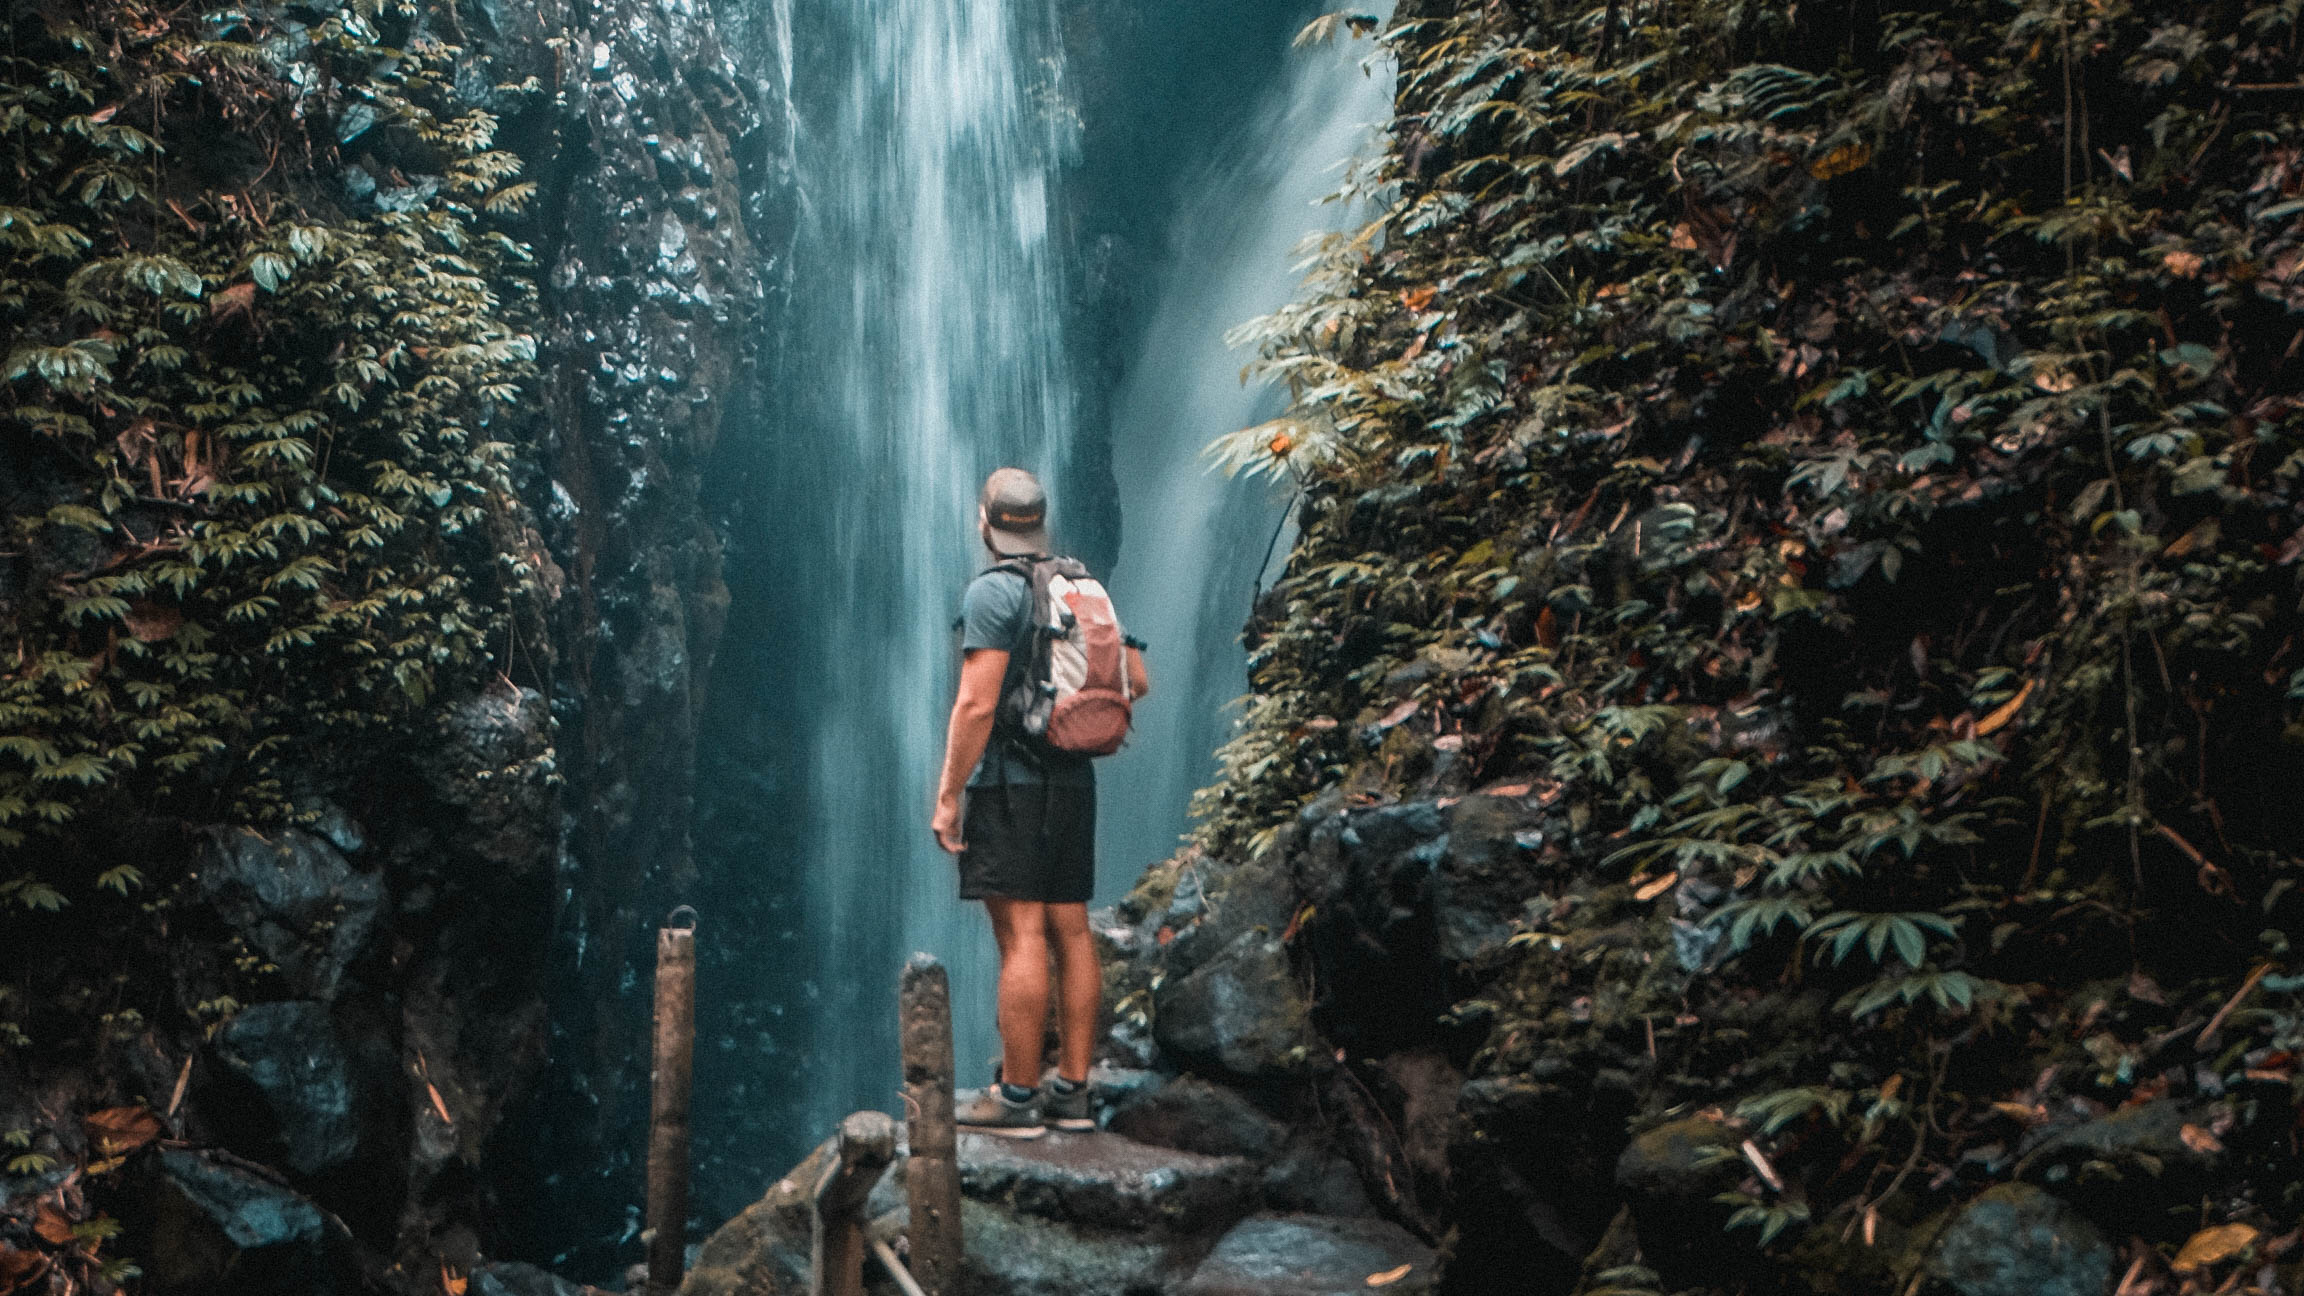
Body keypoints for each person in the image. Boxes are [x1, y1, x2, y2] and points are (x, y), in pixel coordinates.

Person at [931, 467, 1149, 1138]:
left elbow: (975, 703)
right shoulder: (1080, 586)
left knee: (1020, 935)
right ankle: (1073, 1093)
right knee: (1071, 930)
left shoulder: (994, 593)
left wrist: (947, 797)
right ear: (1041, 522)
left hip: (1012, 782)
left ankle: (1018, 1097)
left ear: (985, 522)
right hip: (1074, 781)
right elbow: (1136, 678)